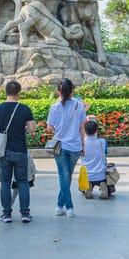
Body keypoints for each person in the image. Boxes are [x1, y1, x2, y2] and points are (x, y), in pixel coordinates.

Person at [0, 80, 36, 223]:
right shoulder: (25, 109)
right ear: (18, 93)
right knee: (23, 182)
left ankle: (7, 214)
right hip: (20, 149)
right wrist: (23, 130)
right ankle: (25, 213)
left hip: (4, 151)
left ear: (5, 93)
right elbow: (32, 128)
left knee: (5, 182)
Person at [47, 78, 88, 218]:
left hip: (60, 146)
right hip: (75, 146)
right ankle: (63, 206)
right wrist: (83, 145)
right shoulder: (79, 105)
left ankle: (64, 206)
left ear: (59, 92)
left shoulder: (55, 107)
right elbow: (82, 127)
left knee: (64, 176)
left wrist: (59, 130)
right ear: (73, 90)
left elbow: (50, 126)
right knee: (67, 176)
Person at [80, 120, 113, 199]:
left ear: (84, 130)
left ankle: (88, 187)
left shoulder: (81, 144)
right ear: (96, 130)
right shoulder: (102, 142)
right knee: (106, 163)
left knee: (80, 187)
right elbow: (105, 152)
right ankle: (103, 186)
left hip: (86, 175)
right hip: (101, 175)